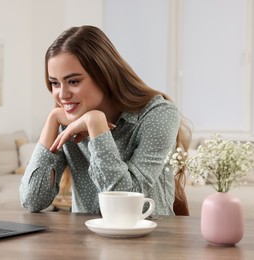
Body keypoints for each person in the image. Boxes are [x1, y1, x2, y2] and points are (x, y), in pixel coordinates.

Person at [19, 25, 191, 216]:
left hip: (149, 238)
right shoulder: (67, 121)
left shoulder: (158, 114)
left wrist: (96, 126)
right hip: (85, 241)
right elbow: (32, 200)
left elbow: (129, 207)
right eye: (55, 83)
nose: (62, 94)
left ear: (104, 75)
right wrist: (52, 120)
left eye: (74, 81)